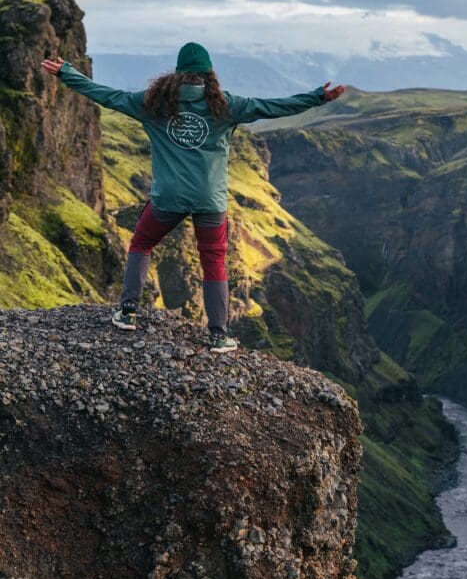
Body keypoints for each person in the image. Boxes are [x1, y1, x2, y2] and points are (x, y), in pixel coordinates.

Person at [41, 42, 345, 352]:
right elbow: (274, 106)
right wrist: (318, 97)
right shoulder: (226, 106)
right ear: (209, 75)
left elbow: (106, 95)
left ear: (177, 74)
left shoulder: (152, 103)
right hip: (209, 200)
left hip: (168, 198)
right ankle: (218, 335)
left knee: (142, 243)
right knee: (214, 262)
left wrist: (67, 73)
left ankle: (128, 312)